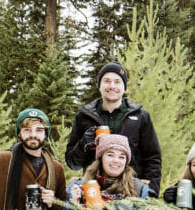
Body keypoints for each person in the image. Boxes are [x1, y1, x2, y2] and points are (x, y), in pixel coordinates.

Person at [65, 61, 163, 193]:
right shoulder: (84, 117)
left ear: (124, 87)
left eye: (117, 82)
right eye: (107, 81)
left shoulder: (140, 117)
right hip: (93, 193)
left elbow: (153, 159)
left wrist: (151, 194)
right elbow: (72, 163)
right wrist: (83, 144)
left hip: (130, 192)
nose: (112, 86)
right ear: (99, 85)